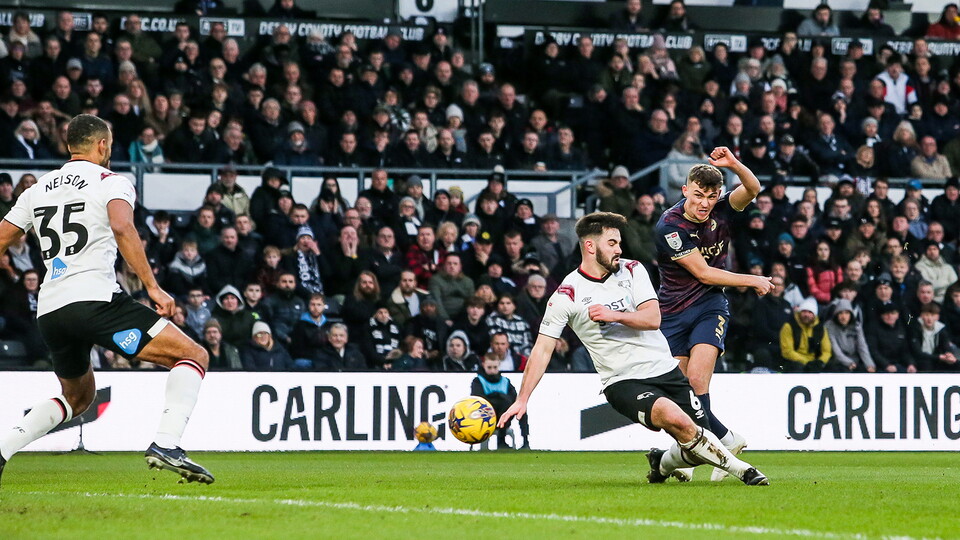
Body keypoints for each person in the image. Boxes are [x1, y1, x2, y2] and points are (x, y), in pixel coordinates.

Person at [0, 114, 213, 485]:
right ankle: (167, 443)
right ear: (102, 145)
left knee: (78, 398)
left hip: (51, 309)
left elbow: (2, 237)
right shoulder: (111, 181)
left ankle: (2, 449)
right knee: (193, 355)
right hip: (95, 300)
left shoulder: (38, 189)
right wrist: (152, 287)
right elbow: (121, 226)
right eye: (110, 144)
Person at [499, 212, 769, 486]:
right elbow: (542, 350)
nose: (619, 249)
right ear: (590, 246)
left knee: (696, 444)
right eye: (612, 243)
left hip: (666, 371)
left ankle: (662, 463)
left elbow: (653, 319)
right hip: (624, 381)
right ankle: (745, 471)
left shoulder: (632, 270)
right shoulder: (567, 294)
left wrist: (614, 315)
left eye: (619, 243)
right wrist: (522, 399)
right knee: (678, 421)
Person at [654, 147, 772, 481]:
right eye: (698, 195)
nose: (704, 203)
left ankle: (699, 455)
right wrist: (752, 280)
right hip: (673, 313)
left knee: (696, 382)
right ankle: (724, 440)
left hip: (709, 306)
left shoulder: (722, 209)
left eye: (711, 196)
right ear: (685, 191)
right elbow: (703, 273)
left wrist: (734, 164)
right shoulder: (670, 226)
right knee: (678, 395)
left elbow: (753, 188)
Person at [473, 354, 529, 449]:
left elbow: (515, 399)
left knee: (521, 408)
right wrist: (499, 396)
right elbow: (478, 400)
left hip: (505, 416)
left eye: (495, 367)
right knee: (504, 402)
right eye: (489, 367)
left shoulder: (505, 381)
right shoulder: (478, 381)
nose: (492, 371)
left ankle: (525, 441)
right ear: (483, 365)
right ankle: (501, 440)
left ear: (499, 365)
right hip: (485, 417)